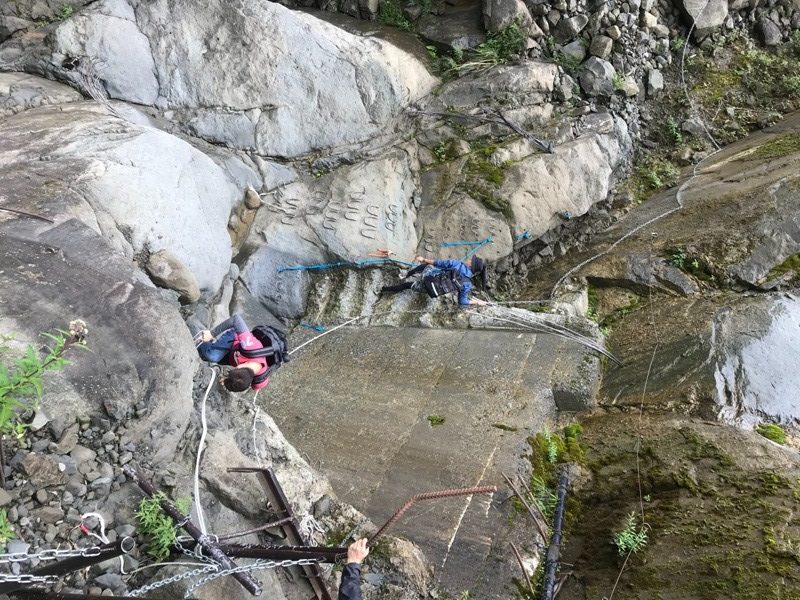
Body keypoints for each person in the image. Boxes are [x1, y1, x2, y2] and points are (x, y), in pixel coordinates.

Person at [195, 313, 271, 392]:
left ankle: (213, 347)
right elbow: (236, 319)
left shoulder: (260, 380)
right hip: (234, 340)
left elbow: (256, 388)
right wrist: (212, 333)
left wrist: (227, 381)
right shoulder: (249, 346)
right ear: (239, 367)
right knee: (212, 356)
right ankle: (200, 341)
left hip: (235, 356)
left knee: (220, 359)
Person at [380, 255, 488, 306]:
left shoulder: (457, 264)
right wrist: (477, 302)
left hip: (428, 277)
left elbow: (437, 263)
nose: (469, 259)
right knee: (407, 286)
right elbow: (462, 301)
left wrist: (424, 260)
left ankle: (405, 275)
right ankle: (382, 289)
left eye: (471, 260)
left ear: (471, 264)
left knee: (427, 266)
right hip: (432, 290)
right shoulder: (468, 284)